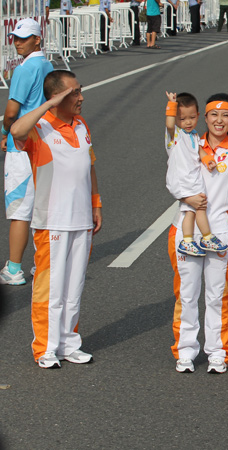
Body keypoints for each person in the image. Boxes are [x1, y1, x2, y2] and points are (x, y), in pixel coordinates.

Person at [9, 70, 102, 369]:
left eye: (79, 91)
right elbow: (15, 131)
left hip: (82, 219)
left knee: (73, 288)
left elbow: (89, 166)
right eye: (74, 93)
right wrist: (49, 105)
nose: (81, 97)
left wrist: (96, 204)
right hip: (52, 221)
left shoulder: (82, 125)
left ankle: (68, 342)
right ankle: (45, 347)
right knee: (50, 289)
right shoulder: (40, 129)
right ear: (57, 97)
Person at [168, 95, 228, 374]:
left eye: (226, 115)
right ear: (204, 117)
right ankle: (185, 350)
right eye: (213, 115)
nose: (219, 120)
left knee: (216, 295)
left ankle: (217, 351)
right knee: (186, 294)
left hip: (219, 230)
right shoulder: (187, 141)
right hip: (185, 230)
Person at [1, 19, 54, 286]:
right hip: (44, 142)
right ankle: (41, 263)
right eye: (15, 38)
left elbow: (11, 112)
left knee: (20, 209)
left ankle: (13, 268)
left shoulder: (25, 69)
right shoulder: (49, 66)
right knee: (41, 206)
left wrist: (5, 133)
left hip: (22, 144)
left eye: (24, 38)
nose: (17, 42)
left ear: (37, 38)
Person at [164, 92, 228, 257]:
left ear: (198, 116)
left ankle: (196, 239)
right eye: (182, 118)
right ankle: (196, 239)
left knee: (194, 209)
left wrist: (207, 160)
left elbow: (199, 150)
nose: (187, 122)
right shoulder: (175, 134)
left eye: (192, 117)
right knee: (195, 208)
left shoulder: (193, 135)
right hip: (182, 180)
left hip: (192, 179)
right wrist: (171, 105)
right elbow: (170, 124)